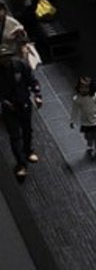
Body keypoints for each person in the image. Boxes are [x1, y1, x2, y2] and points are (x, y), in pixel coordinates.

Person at [0, 49, 42, 180]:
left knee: (27, 130)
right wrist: (5, 102)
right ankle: (21, 164)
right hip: (9, 106)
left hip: (23, 103)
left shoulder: (20, 64)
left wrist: (37, 95)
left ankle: (28, 150)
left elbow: (32, 80)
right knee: (14, 136)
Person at [70, 75, 96, 158]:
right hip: (86, 122)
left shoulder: (95, 96)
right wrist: (72, 120)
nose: (84, 90)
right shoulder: (77, 99)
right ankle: (90, 144)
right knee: (88, 136)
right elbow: (75, 110)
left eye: (86, 87)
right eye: (82, 87)